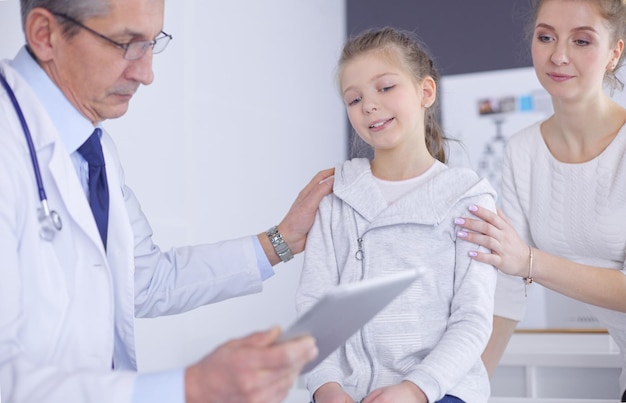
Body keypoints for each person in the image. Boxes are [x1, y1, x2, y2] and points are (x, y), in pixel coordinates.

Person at [0, 0, 336, 402]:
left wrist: (282, 240)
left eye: (151, 43)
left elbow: (147, 278)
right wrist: (188, 388)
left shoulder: (92, 146)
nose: (146, 73)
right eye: (126, 43)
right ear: (45, 34)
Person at [295, 27, 498, 403]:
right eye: (354, 99)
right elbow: (315, 312)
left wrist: (416, 389)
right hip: (351, 394)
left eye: (385, 87)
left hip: (443, 391)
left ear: (426, 92)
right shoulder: (336, 197)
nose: (369, 105)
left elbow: (472, 319)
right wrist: (325, 387)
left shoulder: (467, 197)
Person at [454, 0, 626, 400]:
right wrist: (461, 393)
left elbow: (521, 261)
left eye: (581, 41)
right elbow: (509, 288)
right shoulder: (523, 151)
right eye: (546, 37)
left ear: (615, 53)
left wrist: (529, 260)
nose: (559, 55)